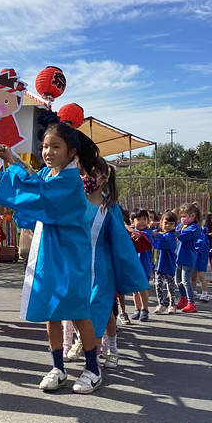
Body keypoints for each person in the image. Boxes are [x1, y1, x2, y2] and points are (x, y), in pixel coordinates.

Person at [0, 123, 104, 394]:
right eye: (44, 146)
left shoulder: (70, 183)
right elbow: (34, 186)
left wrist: (13, 165)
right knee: (50, 312)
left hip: (71, 254)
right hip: (47, 253)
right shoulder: (47, 175)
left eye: (55, 146)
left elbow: (37, 194)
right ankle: (58, 367)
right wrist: (11, 162)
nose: (48, 152)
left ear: (71, 152)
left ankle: (93, 368)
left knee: (78, 312)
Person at [82, 157, 148, 368]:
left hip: (102, 266)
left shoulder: (110, 207)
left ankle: (102, 356)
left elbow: (119, 241)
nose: (85, 177)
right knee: (92, 311)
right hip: (80, 266)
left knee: (99, 308)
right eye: (84, 173)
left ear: (102, 177)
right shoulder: (77, 201)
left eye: (90, 173)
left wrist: (124, 271)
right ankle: (102, 348)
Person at [175, 202, 202, 313]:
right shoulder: (182, 225)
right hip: (178, 257)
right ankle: (183, 298)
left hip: (188, 258)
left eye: (185, 216)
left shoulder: (194, 227)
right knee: (178, 281)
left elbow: (182, 236)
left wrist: (173, 231)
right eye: (181, 216)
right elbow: (175, 230)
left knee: (186, 281)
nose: (182, 219)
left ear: (193, 216)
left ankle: (191, 303)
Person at [129, 208, 154, 321]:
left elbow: (140, 235)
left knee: (143, 289)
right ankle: (137, 308)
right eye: (138, 219)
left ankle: (145, 309)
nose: (142, 222)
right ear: (133, 221)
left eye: (144, 219)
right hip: (133, 266)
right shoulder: (130, 233)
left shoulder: (148, 232)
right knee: (135, 290)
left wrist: (127, 227)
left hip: (145, 265)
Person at [152, 212, 179, 315]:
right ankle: (161, 303)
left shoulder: (172, 235)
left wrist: (155, 234)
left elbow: (164, 242)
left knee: (170, 285)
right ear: (161, 222)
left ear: (174, 225)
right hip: (158, 264)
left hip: (169, 264)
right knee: (158, 285)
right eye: (166, 223)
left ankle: (172, 304)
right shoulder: (158, 232)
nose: (167, 226)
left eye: (171, 224)